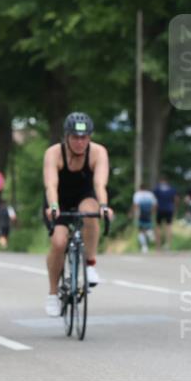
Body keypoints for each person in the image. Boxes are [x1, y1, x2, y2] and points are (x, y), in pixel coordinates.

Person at [42, 112, 114, 317]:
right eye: (75, 137)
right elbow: (50, 184)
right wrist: (53, 206)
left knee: (90, 212)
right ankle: (52, 293)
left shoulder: (98, 152)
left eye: (84, 138)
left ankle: (90, 263)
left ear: (90, 137)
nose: (80, 142)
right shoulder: (54, 153)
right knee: (58, 242)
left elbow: (100, 184)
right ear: (66, 137)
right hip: (58, 199)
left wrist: (104, 206)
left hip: (85, 195)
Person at [153, 175, 177, 250]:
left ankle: (158, 246)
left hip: (160, 209)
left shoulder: (157, 189)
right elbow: (176, 199)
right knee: (169, 227)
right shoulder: (172, 189)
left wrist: (154, 210)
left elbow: (154, 200)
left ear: (160, 181)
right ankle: (169, 245)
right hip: (169, 209)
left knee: (158, 227)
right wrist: (175, 208)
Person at [131, 186, 157, 253]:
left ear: (140, 188)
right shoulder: (150, 194)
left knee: (141, 230)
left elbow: (135, 205)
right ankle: (150, 233)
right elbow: (154, 204)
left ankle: (144, 246)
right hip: (149, 213)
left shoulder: (138, 194)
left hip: (141, 213)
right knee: (148, 227)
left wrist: (133, 213)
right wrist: (153, 213)